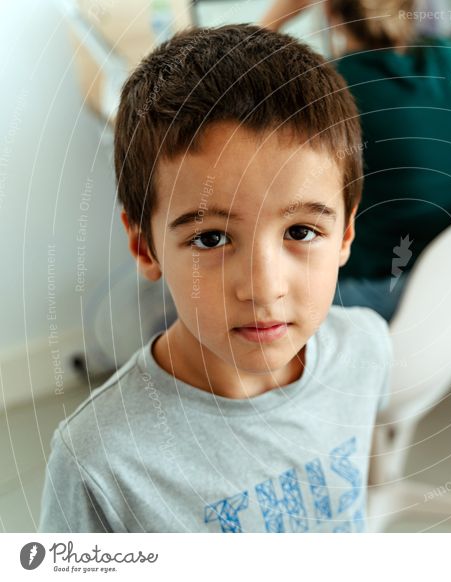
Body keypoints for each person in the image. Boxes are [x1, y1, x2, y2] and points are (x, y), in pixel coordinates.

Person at [39, 25, 392, 533]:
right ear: (145, 246)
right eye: (211, 239)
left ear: (345, 233)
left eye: (301, 231)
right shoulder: (99, 462)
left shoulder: (366, 349)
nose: (264, 287)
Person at [263, 0, 451, 321]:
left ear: (331, 12)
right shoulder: (449, 54)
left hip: (381, 290)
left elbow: (233, 83)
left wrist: (278, 14)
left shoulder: (339, 86)